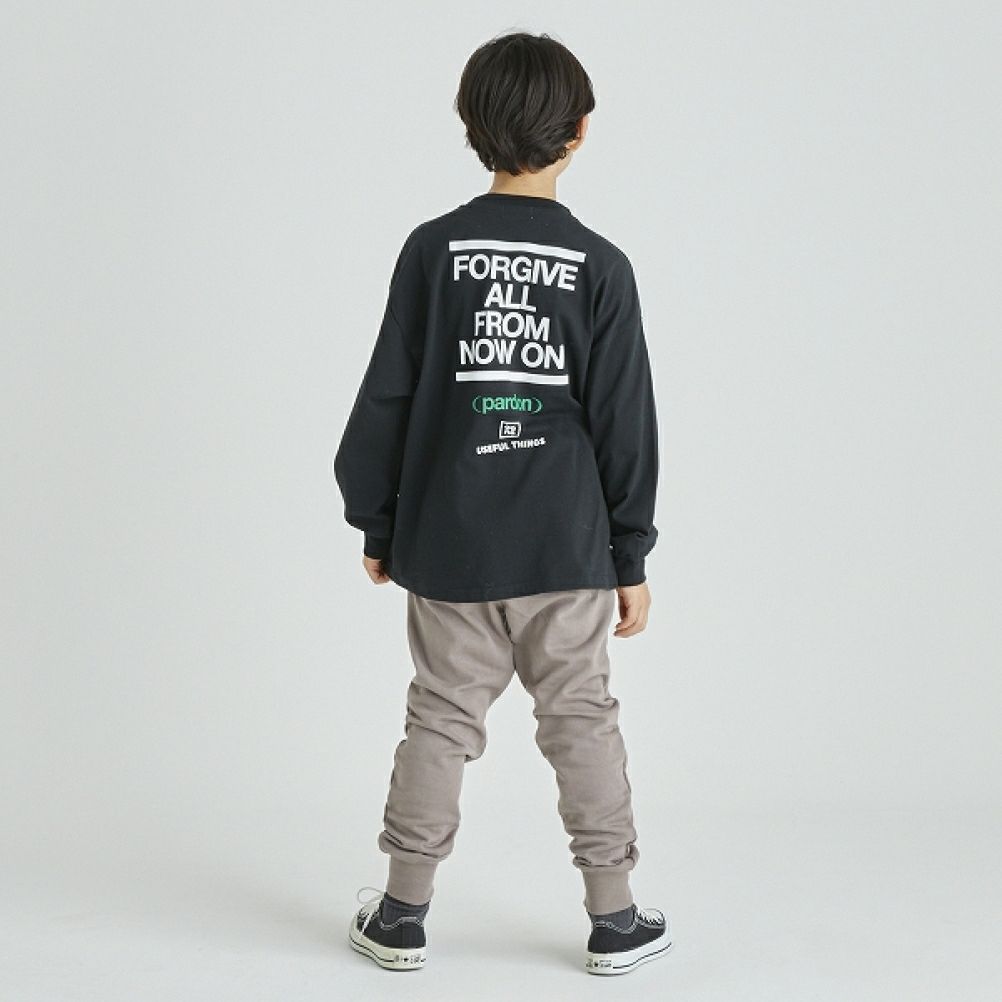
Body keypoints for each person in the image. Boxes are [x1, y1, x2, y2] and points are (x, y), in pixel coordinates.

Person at [334, 30, 671, 976]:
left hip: (450, 543)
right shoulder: (600, 265)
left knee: (441, 718)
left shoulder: (433, 250)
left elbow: (388, 395)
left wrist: (379, 519)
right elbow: (625, 422)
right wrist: (631, 554)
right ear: (581, 131)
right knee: (582, 718)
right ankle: (615, 920)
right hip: (568, 547)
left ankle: (401, 916)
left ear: (469, 124)